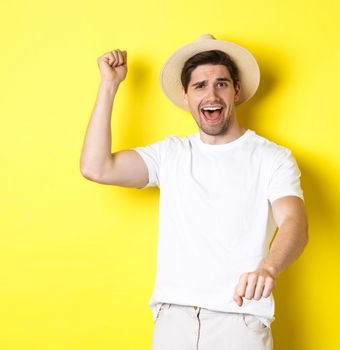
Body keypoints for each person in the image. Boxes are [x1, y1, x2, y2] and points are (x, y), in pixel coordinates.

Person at [80, 34, 308, 350]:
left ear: (236, 91)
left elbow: (295, 222)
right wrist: (110, 85)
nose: (211, 94)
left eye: (221, 83)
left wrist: (268, 267)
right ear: (186, 97)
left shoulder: (272, 157)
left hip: (239, 320)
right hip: (174, 322)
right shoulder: (170, 154)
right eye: (199, 86)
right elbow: (96, 167)